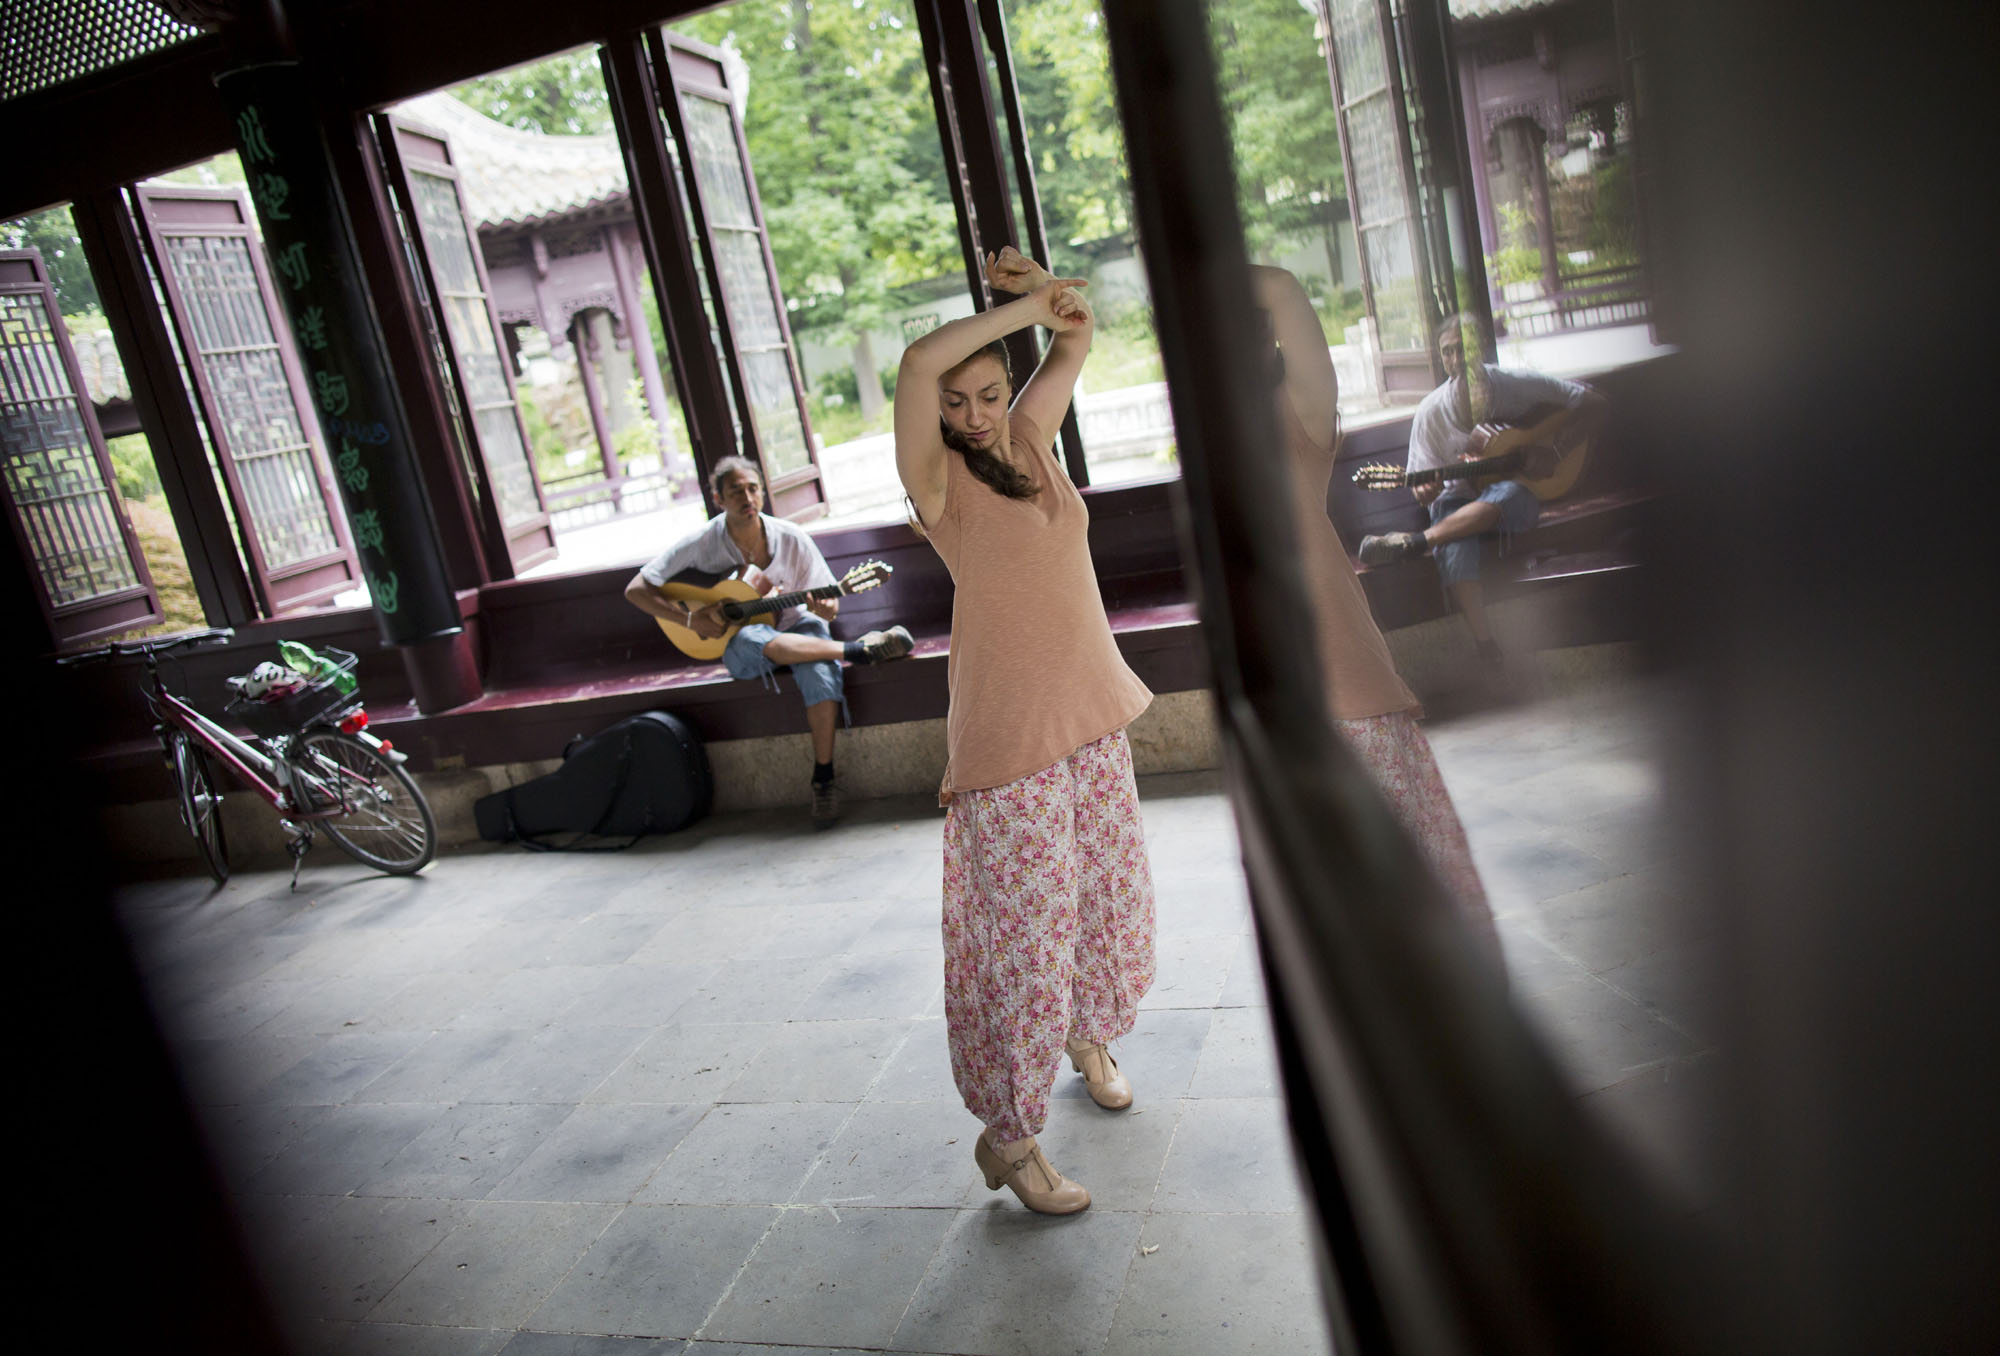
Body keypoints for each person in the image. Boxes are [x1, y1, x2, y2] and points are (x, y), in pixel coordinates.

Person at [895, 246, 1155, 1215]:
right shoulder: (936, 486)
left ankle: (1087, 1035)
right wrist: (1020, 311)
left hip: (1090, 713)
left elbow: (1076, 333)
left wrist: (1040, 291)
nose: (973, 415)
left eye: (989, 394)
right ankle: (1008, 1136)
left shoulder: (1029, 440)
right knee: (1024, 938)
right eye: (957, 404)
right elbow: (921, 362)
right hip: (1009, 746)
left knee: (1100, 897)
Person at [1253, 265, 1497, 952]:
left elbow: (1282, 287)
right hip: (1272, 700)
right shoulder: (1214, 435)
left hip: (1340, 673)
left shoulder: (1298, 413)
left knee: (1420, 888)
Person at [624, 456, 913, 829]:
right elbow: (636, 589)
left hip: (798, 630)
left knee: (820, 670)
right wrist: (691, 618)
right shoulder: (704, 542)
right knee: (751, 634)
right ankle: (860, 651)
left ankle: (823, 778)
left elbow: (830, 610)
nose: (747, 497)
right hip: (744, 645)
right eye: (736, 491)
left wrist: (824, 605)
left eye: (753, 488)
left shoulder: (792, 538)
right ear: (718, 499)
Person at [1357, 312, 1606, 667]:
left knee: (1508, 494)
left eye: (1464, 349)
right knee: (1454, 538)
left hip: (1512, 497)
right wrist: (1423, 490)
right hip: (1456, 503)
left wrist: (1555, 451)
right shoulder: (1430, 412)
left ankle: (1414, 542)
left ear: (1482, 348)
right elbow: (1422, 488)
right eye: (1448, 352)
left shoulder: (1516, 385)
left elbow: (1594, 402)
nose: (1457, 361)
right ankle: (1488, 648)